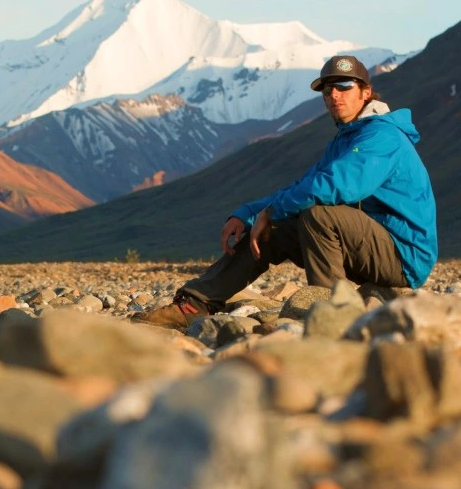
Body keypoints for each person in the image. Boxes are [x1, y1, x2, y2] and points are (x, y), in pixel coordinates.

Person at [137, 55, 438, 329]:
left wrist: (271, 211)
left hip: (403, 255)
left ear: (366, 92)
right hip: (368, 243)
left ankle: (333, 318)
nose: (334, 94)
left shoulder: (381, 136)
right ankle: (195, 304)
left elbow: (338, 186)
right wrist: (251, 214)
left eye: (344, 85)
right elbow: (303, 186)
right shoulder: (347, 138)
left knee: (319, 214)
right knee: (272, 226)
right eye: (327, 89)